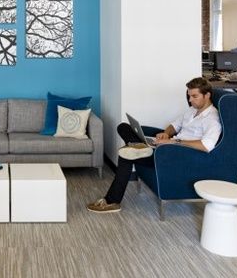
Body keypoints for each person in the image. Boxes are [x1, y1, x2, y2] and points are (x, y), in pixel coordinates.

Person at [87, 77, 221, 213]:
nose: (190, 100)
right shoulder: (192, 110)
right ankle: (141, 148)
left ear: (207, 95)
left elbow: (206, 145)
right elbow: (174, 125)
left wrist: (173, 141)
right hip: (166, 147)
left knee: (126, 154)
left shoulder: (212, 118)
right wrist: (166, 133)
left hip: (176, 155)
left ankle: (112, 201)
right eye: (189, 96)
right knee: (123, 127)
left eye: (194, 96)